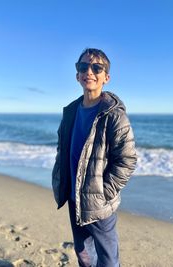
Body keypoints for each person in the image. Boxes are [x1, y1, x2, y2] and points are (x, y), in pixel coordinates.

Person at [52, 48, 137, 267]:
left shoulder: (114, 115)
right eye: (83, 67)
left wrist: (103, 192)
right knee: (83, 254)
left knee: (108, 259)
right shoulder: (70, 111)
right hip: (73, 196)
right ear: (77, 75)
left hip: (99, 202)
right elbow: (62, 149)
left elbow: (127, 161)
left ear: (106, 77)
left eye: (97, 67)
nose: (89, 71)